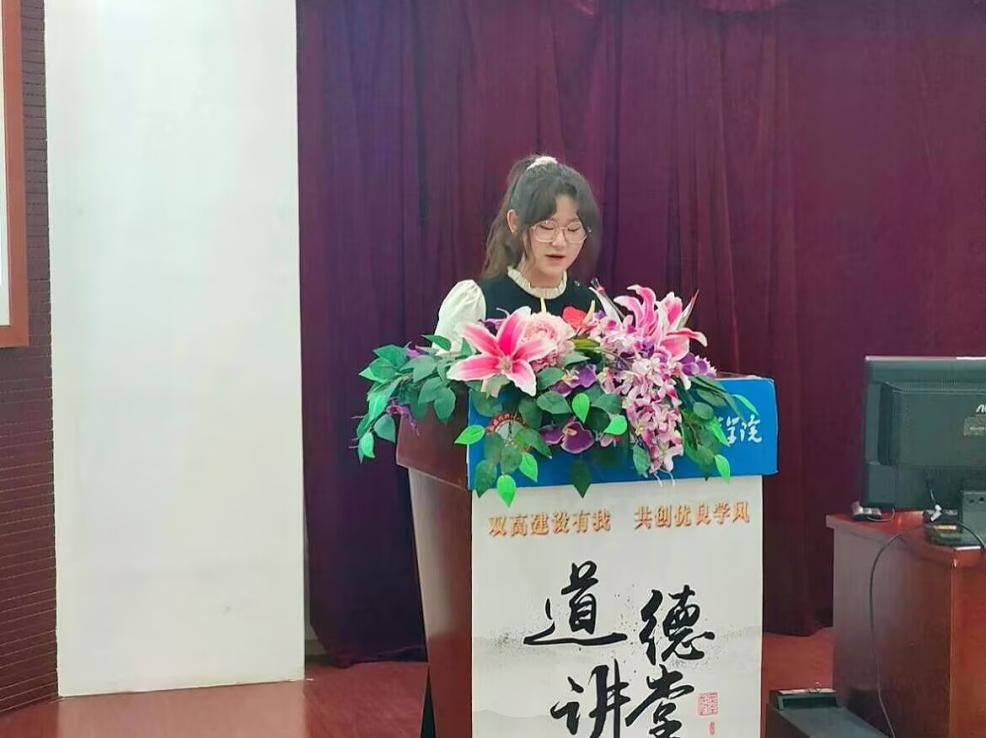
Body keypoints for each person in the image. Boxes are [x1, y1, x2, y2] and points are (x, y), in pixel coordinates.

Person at [434, 155, 616, 344]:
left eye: (573, 229)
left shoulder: (597, 309)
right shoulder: (476, 304)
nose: (560, 242)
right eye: (546, 227)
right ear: (515, 222)